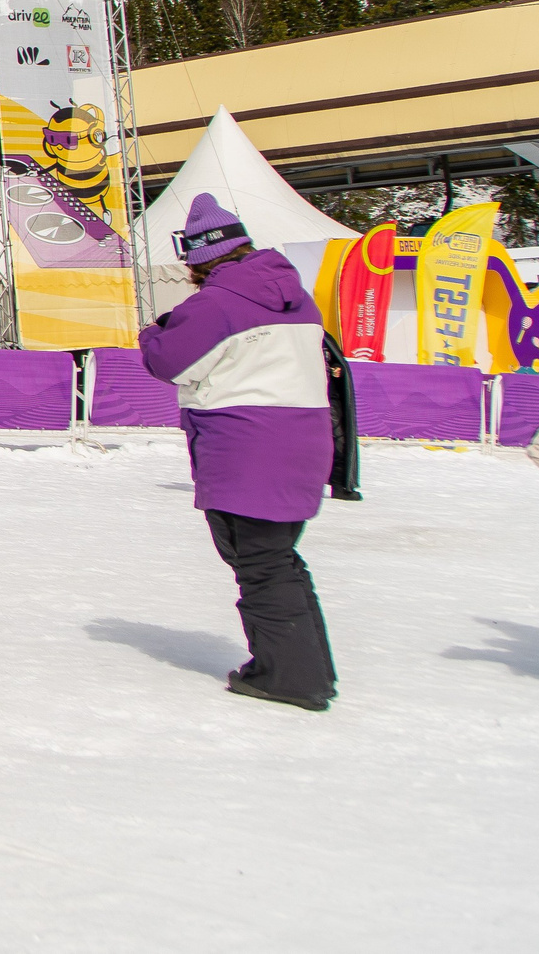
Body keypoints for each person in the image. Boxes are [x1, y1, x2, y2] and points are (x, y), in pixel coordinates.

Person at [138, 194, 343, 711]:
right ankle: (309, 668)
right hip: (304, 441)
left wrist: (151, 332)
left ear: (197, 258)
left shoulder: (217, 302)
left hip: (246, 444)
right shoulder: (297, 295)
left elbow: (171, 363)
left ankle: (289, 677)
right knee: (279, 559)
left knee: (259, 563)